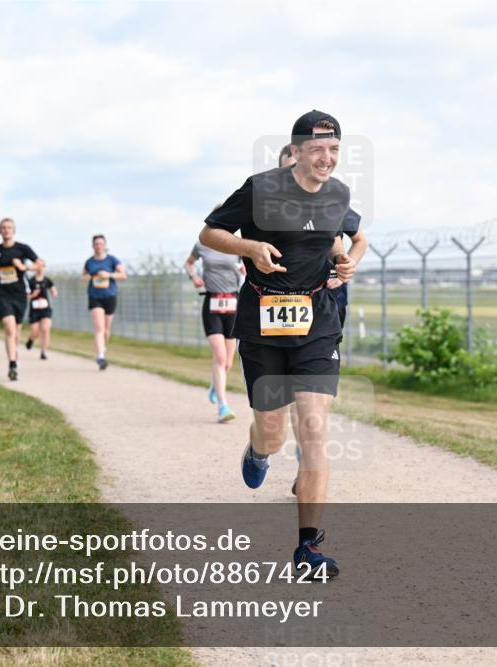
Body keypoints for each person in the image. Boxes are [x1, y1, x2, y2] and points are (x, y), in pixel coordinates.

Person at [199, 110, 359, 578]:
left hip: (317, 323)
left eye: (334, 149)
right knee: (272, 431)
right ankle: (259, 450)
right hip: (263, 322)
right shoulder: (262, 189)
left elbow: (349, 239)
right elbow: (210, 232)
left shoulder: (338, 194)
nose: (326, 158)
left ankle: (308, 549)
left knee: (314, 429)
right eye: (317, 149)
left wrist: (347, 261)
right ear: (296, 150)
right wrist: (250, 248)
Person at [278, 145, 368, 496]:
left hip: (326, 303)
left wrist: (346, 265)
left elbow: (356, 240)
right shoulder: (269, 209)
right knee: (292, 392)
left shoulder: (332, 200)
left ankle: (308, 462)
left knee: (313, 399)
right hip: (281, 306)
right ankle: (298, 456)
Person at [185, 239, 244, 423]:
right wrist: (194, 277)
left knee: (227, 363)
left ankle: (216, 384)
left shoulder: (237, 244)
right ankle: (222, 406)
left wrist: (245, 268)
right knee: (220, 357)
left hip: (233, 304)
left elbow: (247, 264)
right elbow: (188, 264)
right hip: (212, 303)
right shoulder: (202, 244)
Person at [0, 217, 39, 381]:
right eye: (3, 227)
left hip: (20, 293)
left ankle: (14, 354)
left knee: (16, 331)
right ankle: (12, 364)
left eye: (9, 227)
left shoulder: (22, 249)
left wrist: (24, 267)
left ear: (13, 230)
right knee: (9, 328)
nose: (6, 230)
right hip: (3, 293)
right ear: (0, 231)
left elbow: (39, 264)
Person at [82, 234, 126, 370]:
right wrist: (91, 276)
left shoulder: (112, 260)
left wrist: (109, 275)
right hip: (95, 296)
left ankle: (103, 349)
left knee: (106, 330)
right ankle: (100, 356)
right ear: (93, 246)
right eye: (96, 244)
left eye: (101, 243)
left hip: (110, 296)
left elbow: (124, 275)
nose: (99, 246)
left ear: (105, 245)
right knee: (99, 328)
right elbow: (83, 276)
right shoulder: (89, 262)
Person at [26, 260, 57, 360]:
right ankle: (31, 339)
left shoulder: (47, 280)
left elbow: (54, 290)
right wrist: (33, 295)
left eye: (42, 266)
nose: (40, 268)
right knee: (35, 331)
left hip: (45, 309)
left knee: (45, 329)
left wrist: (54, 293)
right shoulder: (31, 281)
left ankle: (43, 352)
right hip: (35, 310)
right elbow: (26, 296)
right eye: (38, 266)